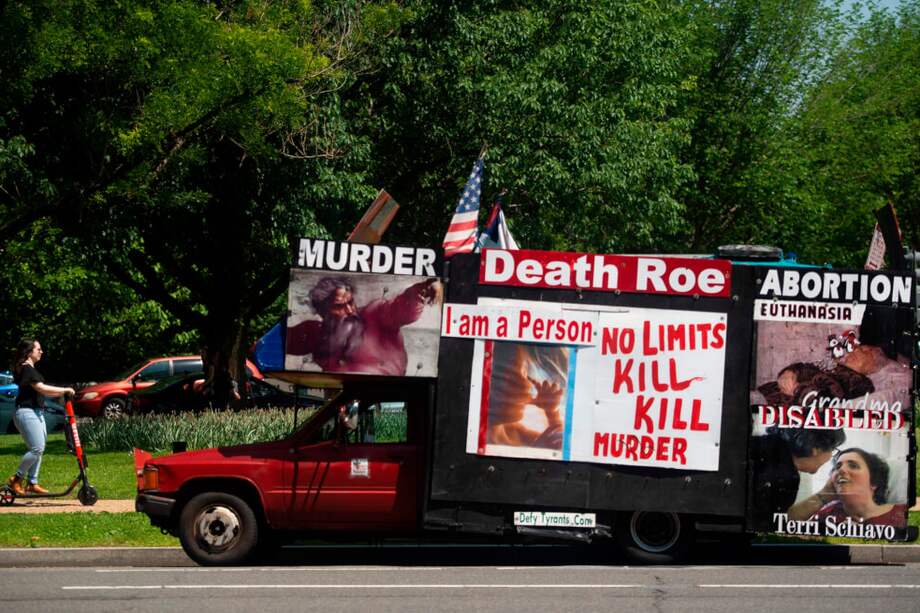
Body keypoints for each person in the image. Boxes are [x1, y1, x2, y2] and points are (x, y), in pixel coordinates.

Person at [286, 276, 441, 376]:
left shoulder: (374, 313)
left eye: (350, 302)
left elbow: (401, 308)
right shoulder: (317, 332)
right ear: (322, 311)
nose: (349, 310)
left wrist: (424, 289)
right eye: (339, 306)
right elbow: (279, 343)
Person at [5, 339, 75, 495]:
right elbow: (41, 388)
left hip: (36, 412)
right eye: (38, 349)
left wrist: (62, 392)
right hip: (26, 412)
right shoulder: (26, 369)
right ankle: (16, 479)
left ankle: (32, 482)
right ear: (29, 352)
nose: (41, 352)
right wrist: (64, 390)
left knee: (39, 448)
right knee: (37, 448)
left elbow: (42, 391)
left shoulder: (30, 368)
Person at [749, 425, 846, 528]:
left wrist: (824, 494)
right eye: (832, 449)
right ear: (816, 448)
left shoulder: (767, 445)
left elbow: (778, 517)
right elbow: (773, 526)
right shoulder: (788, 478)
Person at [485, 342, 567, 450]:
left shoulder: (514, 431)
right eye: (508, 374)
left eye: (525, 372)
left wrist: (552, 412)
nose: (528, 384)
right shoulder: (483, 440)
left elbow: (557, 442)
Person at [809, 447, 907, 528]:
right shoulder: (823, 516)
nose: (841, 470)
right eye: (837, 466)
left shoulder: (902, 514)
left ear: (874, 481)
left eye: (853, 466)